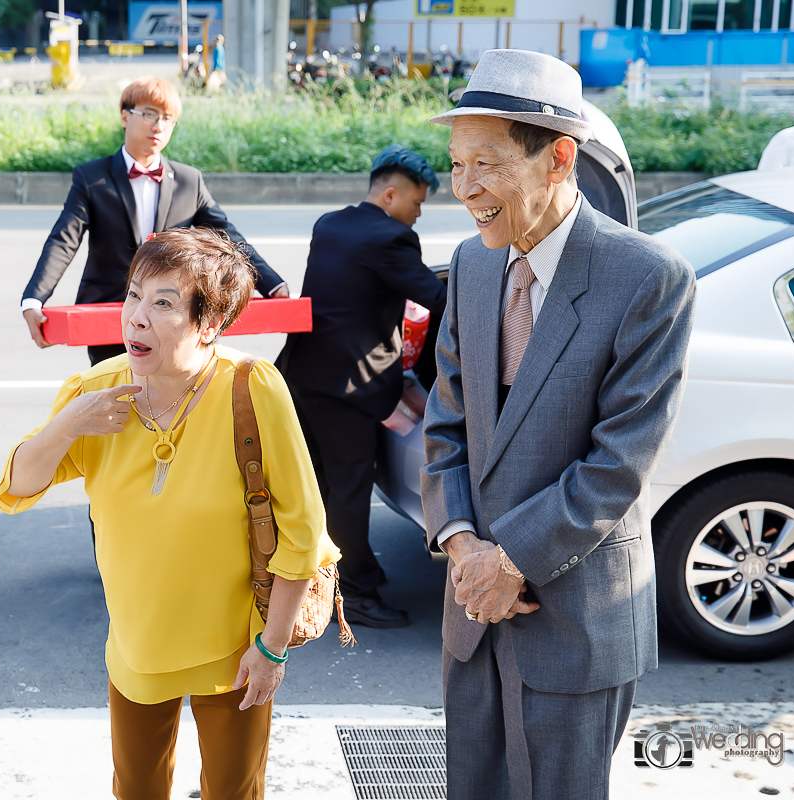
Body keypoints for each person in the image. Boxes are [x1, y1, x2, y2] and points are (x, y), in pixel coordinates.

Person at [419, 49, 696, 799]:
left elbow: (619, 463)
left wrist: (510, 560)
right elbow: (446, 426)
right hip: (473, 610)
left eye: (487, 163)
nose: (465, 187)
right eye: (456, 162)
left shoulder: (647, 277)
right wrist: (465, 544)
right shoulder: (472, 266)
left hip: (576, 619)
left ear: (558, 159)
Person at [0, 228, 338, 800]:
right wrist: (66, 425)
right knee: (137, 789)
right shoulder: (95, 392)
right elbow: (18, 486)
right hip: (138, 648)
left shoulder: (252, 390)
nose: (136, 317)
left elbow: (303, 532)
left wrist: (273, 648)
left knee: (233, 790)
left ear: (209, 325)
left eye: (164, 302)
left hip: (237, 650)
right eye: (133, 295)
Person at [276, 145, 447, 628]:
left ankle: (338, 574)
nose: (417, 215)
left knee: (324, 488)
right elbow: (434, 296)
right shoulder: (392, 238)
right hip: (349, 387)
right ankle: (353, 596)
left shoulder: (330, 224)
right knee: (349, 492)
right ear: (391, 195)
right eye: (416, 204)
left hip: (304, 376)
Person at [21, 76, 287, 366]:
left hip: (172, 317)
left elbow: (228, 237)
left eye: (168, 119)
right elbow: (64, 239)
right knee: (115, 401)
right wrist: (35, 299)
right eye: (149, 114)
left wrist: (272, 285)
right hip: (111, 314)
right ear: (125, 115)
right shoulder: (92, 177)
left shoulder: (189, 181)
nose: (158, 126)